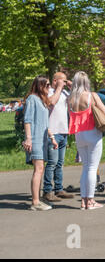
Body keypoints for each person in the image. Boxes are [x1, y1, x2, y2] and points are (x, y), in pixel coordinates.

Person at [68, 71, 105, 210]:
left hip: (79, 134)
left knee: (85, 167)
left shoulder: (70, 99)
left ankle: (83, 200)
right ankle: (91, 201)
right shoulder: (92, 96)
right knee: (92, 167)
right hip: (93, 132)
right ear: (87, 82)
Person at [23, 76, 59, 211]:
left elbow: (45, 123)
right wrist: (28, 138)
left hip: (43, 139)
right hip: (35, 139)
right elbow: (27, 120)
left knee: (40, 169)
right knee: (38, 169)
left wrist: (52, 137)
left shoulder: (42, 101)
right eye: (47, 85)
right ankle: (35, 202)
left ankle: (37, 200)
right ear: (40, 85)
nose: (49, 87)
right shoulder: (32, 98)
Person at [42, 72, 74, 202]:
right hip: (52, 132)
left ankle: (59, 189)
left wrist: (72, 88)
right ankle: (47, 191)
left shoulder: (65, 93)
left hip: (63, 132)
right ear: (55, 81)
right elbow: (51, 103)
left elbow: (75, 102)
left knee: (60, 163)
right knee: (52, 163)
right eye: (63, 81)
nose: (65, 83)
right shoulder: (48, 92)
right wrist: (60, 87)